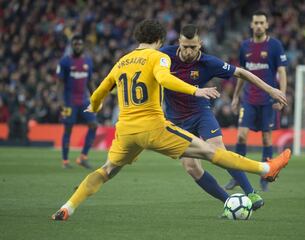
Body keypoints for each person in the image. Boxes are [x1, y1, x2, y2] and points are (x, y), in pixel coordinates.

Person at [51, 19, 291, 221]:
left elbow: (99, 92)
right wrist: (196, 90)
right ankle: (266, 168)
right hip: (155, 126)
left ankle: (67, 207)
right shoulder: (159, 57)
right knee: (209, 153)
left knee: (106, 170)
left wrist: (93, 106)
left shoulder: (122, 61)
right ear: (162, 41)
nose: (187, 51)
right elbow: (165, 80)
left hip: (125, 131)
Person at [160, 24, 279, 210]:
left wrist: (270, 89)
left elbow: (241, 72)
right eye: (185, 47)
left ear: (200, 44)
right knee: (191, 167)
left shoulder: (208, 63)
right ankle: (229, 201)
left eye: (193, 47)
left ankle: (251, 193)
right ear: (179, 43)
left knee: (219, 150)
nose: (189, 51)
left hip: (200, 112)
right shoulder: (164, 56)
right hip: (176, 120)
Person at [224, 11, 288, 191]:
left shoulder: (275, 45)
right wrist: (236, 96)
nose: (259, 26)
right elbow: (242, 73)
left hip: (268, 101)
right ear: (251, 25)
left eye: (262, 23)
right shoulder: (245, 46)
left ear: (267, 25)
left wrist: (281, 95)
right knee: (241, 135)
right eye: (256, 23)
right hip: (249, 99)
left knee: (267, 139)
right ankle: (238, 176)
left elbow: (282, 72)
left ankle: (266, 176)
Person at [56, 35, 97, 169]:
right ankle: (65, 161)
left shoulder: (88, 61)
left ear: (83, 45)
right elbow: (59, 84)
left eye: (80, 44)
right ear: (71, 46)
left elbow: (90, 82)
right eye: (75, 44)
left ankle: (83, 157)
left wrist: (96, 98)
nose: (78, 46)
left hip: (84, 101)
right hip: (69, 102)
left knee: (93, 125)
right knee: (68, 129)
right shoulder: (65, 62)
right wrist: (60, 101)